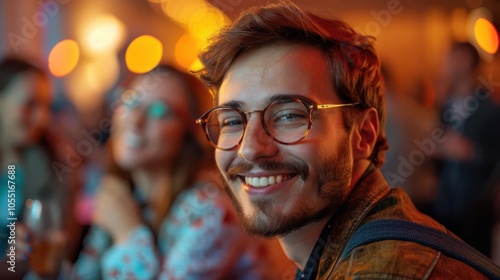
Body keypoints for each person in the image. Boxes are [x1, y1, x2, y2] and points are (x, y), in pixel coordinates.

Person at [194, 2, 499, 279]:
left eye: (289, 115)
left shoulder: (387, 271)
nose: (250, 147)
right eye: (232, 121)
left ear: (363, 135)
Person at [73, 64, 291, 279]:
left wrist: (128, 234)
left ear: (190, 136)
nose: (135, 120)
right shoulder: (125, 196)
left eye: (159, 110)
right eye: (130, 101)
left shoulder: (212, 211)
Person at [0, 57, 78, 279]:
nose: (42, 118)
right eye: (30, 104)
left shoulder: (55, 166)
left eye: (46, 106)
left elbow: (61, 251)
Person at [433, 42, 500, 255]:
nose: (445, 65)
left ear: (465, 60)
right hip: (445, 207)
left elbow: (494, 158)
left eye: (451, 58)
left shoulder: (489, 109)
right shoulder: (444, 106)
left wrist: (470, 152)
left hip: (475, 210)